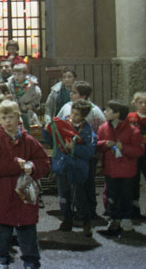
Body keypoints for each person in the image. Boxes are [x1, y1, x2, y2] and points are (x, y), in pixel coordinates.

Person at [0, 100, 50, 269]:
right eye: (4, 117)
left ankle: (31, 261)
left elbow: (43, 161)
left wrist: (32, 167)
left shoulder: (29, 141)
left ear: (18, 117)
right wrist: (15, 165)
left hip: (24, 194)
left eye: (11, 117)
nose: (8, 121)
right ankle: (1, 259)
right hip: (3, 194)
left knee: (27, 229)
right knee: (2, 231)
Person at [43, 100, 96, 236]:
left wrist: (74, 148)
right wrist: (47, 131)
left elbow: (89, 152)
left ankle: (85, 221)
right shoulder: (62, 125)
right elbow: (51, 140)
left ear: (83, 116)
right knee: (63, 195)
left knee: (79, 195)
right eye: (72, 112)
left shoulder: (87, 132)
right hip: (62, 165)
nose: (72, 116)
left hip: (77, 167)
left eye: (77, 114)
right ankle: (66, 219)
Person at [97, 100, 144, 233]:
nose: (104, 112)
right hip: (110, 169)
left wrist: (123, 147)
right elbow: (97, 145)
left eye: (108, 110)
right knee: (112, 195)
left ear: (117, 114)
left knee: (126, 194)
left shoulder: (133, 131)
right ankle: (114, 218)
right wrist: (104, 144)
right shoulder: (103, 128)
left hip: (126, 170)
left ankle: (126, 218)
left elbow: (139, 151)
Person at [6, 63, 41, 128]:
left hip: (28, 111)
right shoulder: (9, 85)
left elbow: (37, 97)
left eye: (19, 74)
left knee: (31, 126)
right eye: (14, 74)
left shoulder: (31, 86)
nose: (16, 77)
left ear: (25, 75)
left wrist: (32, 105)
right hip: (14, 111)